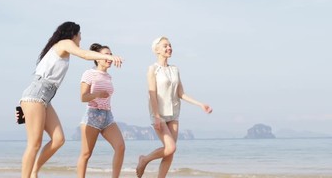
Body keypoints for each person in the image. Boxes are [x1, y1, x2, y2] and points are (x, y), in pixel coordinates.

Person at [18, 22, 123, 178]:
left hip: (44, 98)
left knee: (58, 139)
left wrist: (23, 110)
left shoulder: (62, 49)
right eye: (79, 35)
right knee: (34, 144)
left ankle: (34, 171)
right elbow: (85, 55)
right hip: (36, 95)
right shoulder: (64, 43)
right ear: (73, 34)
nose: (80, 39)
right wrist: (110, 56)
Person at [136, 36, 212, 178]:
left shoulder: (175, 69)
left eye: (170, 45)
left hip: (174, 113)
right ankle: (144, 160)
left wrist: (200, 104)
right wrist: (157, 116)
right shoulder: (152, 69)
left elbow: (181, 93)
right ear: (157, 50)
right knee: (170, 147)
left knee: (170, 153)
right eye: (165, 46)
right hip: (158, 113)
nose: (169, 48)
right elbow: (152, 93)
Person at [77, 43, 125, 178]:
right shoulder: (89, 74)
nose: (109, 57)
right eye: (106, 55)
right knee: (86, 154)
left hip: (107, 116)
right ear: (97, 58)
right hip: (92, 115)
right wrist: (97, 94)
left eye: (111, 55)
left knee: (120, 147)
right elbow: (83, 97)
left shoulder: (108, 76)